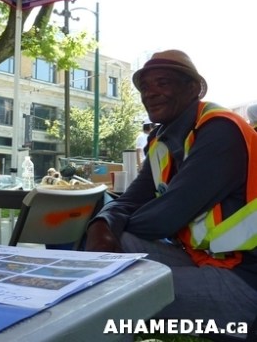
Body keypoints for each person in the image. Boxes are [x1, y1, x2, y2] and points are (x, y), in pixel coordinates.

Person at [85, 50, 257, 330]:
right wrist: (102, 225)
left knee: (112, 291)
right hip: (203, 260)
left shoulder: (221, 130)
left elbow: (167, 216)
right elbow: (130, 200)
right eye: (145, 87)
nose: (150, 93)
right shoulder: (161, 141)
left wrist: (109, 227)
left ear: (192, 89)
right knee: (120, 241)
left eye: (162, 83)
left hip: (245, 277)